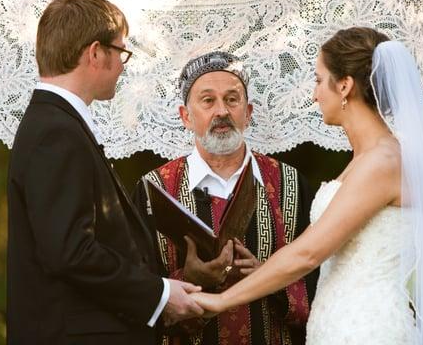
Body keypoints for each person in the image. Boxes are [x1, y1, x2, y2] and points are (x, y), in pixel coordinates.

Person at [191, 28, 423, 344]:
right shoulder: (368, 159)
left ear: (345, 85)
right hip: (340, 324)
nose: (314, 94)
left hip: (367, 330)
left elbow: (308, 253)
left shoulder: (384, 161)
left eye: (319, 80)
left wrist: (220, 301)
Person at [6, 0, 203, 345]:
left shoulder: (57, 123)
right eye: (121, 52)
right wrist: (158, 294)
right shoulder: (56, 131)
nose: (124, 65)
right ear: (95, 53)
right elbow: (71, 252)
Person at [134, 51, 318, 345]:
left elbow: (322, 283)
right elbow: (133, 290)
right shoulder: (152, 190)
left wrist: (269, 277)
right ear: (186, 116)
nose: (221, 111)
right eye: (207, 100)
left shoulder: (290, 184)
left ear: (248, 113)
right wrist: (191, 279)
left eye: (232, 99)